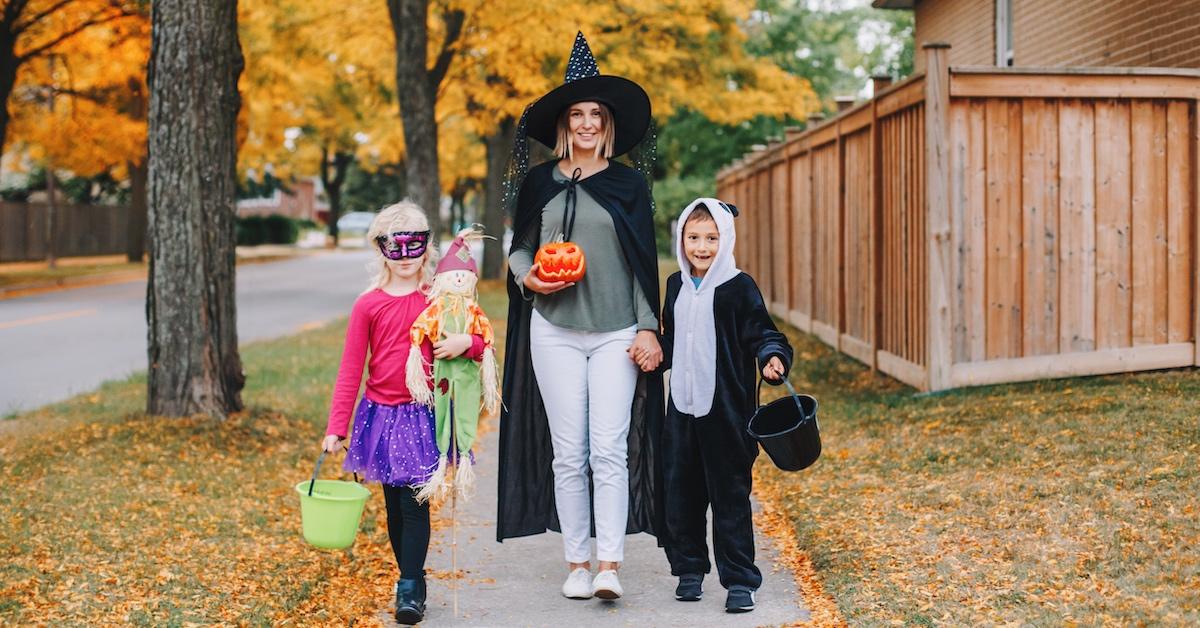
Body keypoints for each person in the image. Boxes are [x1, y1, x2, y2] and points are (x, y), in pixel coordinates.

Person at [497, 31, 664, 602]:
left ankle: (610, 563)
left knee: (608, 449)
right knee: (568, 450)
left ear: (608, 124)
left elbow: (645, 261)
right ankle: (576, 561)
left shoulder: (628, 184)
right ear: (565, 124)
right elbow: (518, 246)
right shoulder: (540, 182)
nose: (587, 123)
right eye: (577, 113)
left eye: (596, 114)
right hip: (555, 333)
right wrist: (528, 276)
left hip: (616, 332)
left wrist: (648, 327)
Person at [320, 202, 488, 625]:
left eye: (415, 244)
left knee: (415, 503)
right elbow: (350, 368)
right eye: (397, 245)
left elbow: (482, 340)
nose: (407, 254)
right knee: (394, 506)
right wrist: (336, 427)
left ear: (427, 246)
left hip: (424, 414)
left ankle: (410, 586)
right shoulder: (368, 305)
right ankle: (410, 576)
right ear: (381, 249)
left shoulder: (440, 298)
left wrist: (465, 344)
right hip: (380, 414)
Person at [658, 198, 793, 613]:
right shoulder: (676, 286)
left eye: (711, 238)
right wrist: (650, 350)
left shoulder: (739, 288)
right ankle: (690, 570)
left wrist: (773, 358)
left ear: (726, 239)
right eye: (694, 237)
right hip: (681, 413)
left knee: (730, 498)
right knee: (682, 495)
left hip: (726, 415)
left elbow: (765, 334)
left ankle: (739, 580)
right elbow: (670, 340)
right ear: (681, 239)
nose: (702, 247)